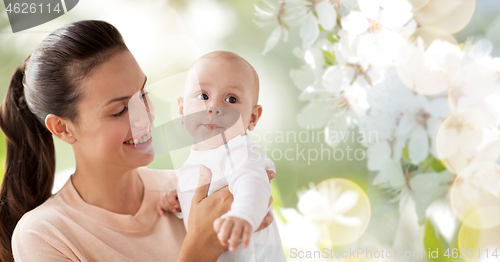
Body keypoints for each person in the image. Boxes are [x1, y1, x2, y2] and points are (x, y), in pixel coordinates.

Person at [0, 20, 274, 262]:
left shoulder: (193, 189)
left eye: (142, 94)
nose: (145, 118)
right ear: (62, 128)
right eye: (119, 110)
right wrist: (200, 250)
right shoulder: (45, 235)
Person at [157, 51, 286, 262]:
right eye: (203, 96)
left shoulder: (239, 151)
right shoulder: (196, 159)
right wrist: (179, 199)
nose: (214, 107)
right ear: (182, 110)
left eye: (231, 99)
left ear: (252, 118)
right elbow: (203, 204)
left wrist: (243, 215)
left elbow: (252, 185)